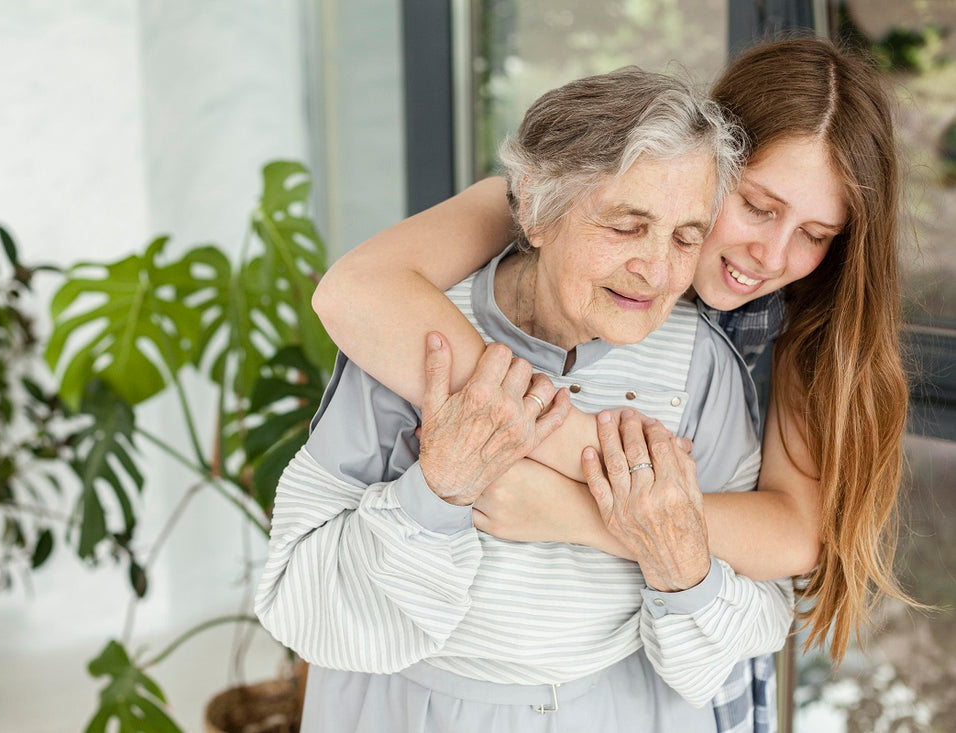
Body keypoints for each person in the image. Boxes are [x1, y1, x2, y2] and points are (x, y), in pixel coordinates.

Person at [311, 37, 913, 733]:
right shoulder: (544, 206)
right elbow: (355, 290)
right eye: (756, 206)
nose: (774, 256)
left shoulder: (807, 325)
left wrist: (576, 502)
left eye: (815, 233)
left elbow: (791, 536)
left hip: (685, 639)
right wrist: (552, 428)